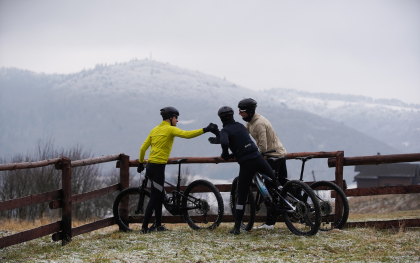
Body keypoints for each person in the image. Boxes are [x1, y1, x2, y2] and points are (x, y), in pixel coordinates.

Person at [138, 106, 218, 233]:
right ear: (170, 118)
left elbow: (143, 148)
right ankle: (143, 228)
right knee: (154, 198)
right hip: (158, 168)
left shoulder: (154, 130)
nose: (177, 121)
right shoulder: (170, 130)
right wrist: (206, 129)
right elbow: (187, 135)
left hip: (150, 167)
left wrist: (141, 162)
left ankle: (158, 226)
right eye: (176, 118)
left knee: (158, 196)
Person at [217, 106, 276, 235]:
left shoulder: (225, 130)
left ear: (221, 118)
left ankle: (237, 228)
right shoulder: (240, 125)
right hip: (258, 157)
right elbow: (238, 138)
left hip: (246, 163)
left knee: (242, 195)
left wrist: (225, 154)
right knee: (274, 182)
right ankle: (281, 207)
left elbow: (225, 142)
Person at [238, 98, 288, 230]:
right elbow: (244, 134)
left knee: (270, 189)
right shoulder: (251, 121)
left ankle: (270, 223)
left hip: (273, 156)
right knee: (281, 185)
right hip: (280, 154)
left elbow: (263, 147)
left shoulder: (259, 123)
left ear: (249, 111)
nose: (239, 113)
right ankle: (284, 213)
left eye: (241, 111)